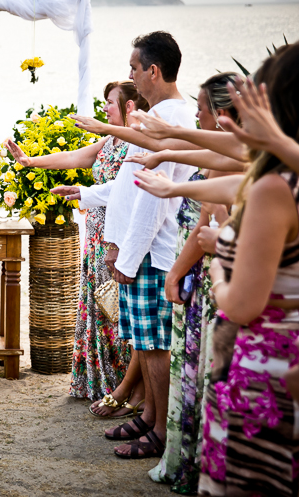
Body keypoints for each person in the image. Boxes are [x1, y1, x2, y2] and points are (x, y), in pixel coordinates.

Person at [54, 31, 198, 458]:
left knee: (153, 344)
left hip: (154, 252)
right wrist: (88, 197)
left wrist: (128, 256)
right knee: (143, 341)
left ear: (154, 70)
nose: (131, 75)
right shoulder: (160, 116)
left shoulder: (173, 119)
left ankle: (158, 428)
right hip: (143, 250)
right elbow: (124, 188)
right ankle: (150, 416)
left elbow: (153, 199)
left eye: (135, 68)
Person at [7, 81, 149, 410]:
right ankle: (104, 383)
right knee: (99, 304)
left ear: (128, 106)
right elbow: (73, 157)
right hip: (97, 232)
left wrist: (82, 194)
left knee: (115, 309)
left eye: (110, 103)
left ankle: (129, 387)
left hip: (118, 233)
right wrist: (31, 162)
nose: (105, 109)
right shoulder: (111, 139)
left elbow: (124, 188)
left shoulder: (135, 144)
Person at [138, 72, 241, 492]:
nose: (196, 112)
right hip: (205, 261)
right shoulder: (229, 151)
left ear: (223, 116)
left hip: (214, 270)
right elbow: (168, 146)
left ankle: (190, 460)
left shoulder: (242, 158)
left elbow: (207, 217)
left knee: (199, 374)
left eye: (203, 107)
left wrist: (180, 270)